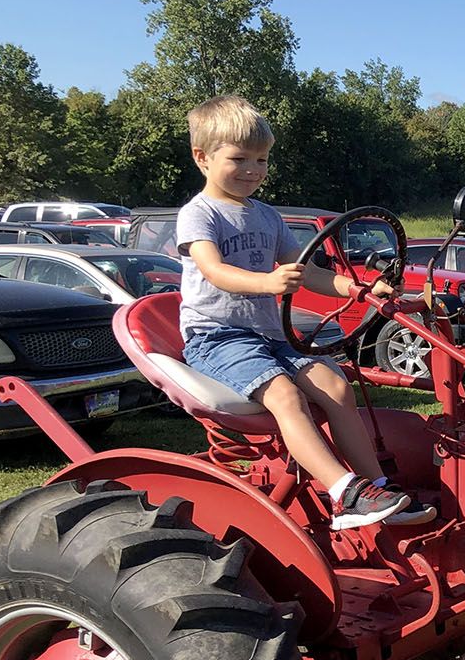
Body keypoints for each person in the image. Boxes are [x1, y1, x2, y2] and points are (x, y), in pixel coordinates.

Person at [177, 95, 431, 530]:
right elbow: (214, 270)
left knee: (336, 385)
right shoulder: (198, 214)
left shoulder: (267, 216)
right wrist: (267, 282)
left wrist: (357, 288)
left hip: (268, 333)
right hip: (216, 336)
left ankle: (378, 487)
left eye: (261, 159)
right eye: (239, 158)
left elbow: (309, 272)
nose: (253, 170)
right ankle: (344, 493)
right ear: (202, 158)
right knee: (284, 396)